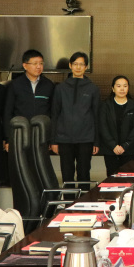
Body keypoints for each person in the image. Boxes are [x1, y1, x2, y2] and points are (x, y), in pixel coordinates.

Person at [50, 52, 99, 183]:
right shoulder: (60, 88)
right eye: (75, 64)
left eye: (81, 64)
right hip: (64, 138)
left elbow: (96, 115)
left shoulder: (93, 88)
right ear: (70, 65)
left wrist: (96, 141)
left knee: (84, 173)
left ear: (86, 67)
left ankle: (85, 197)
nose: (78, 67)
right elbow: (55, 114)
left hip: (86, 139)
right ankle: (68, 197)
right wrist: (53, 140)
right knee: (67, 174)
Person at [3, 49, 54, 151]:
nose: (39, 66)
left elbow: (53, 112)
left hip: (42, 135)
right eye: (35, 63)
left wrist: (52, 139)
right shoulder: (14, 85)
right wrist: (8, 138)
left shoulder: (49, 85)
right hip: (20, 135)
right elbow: (7, 113)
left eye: (41, 63)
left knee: (40, 161)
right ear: (25, 66)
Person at [99, 75, 134, 176]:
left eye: (125, 86)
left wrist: (125, 145)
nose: (122, 89)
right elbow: (103, 127)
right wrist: (113, 145)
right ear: (113, 88)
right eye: (118, 86)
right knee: (112, 177)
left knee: (129, 177)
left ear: (128, 88)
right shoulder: (105, 105)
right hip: (110, 149)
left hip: (129, 149)